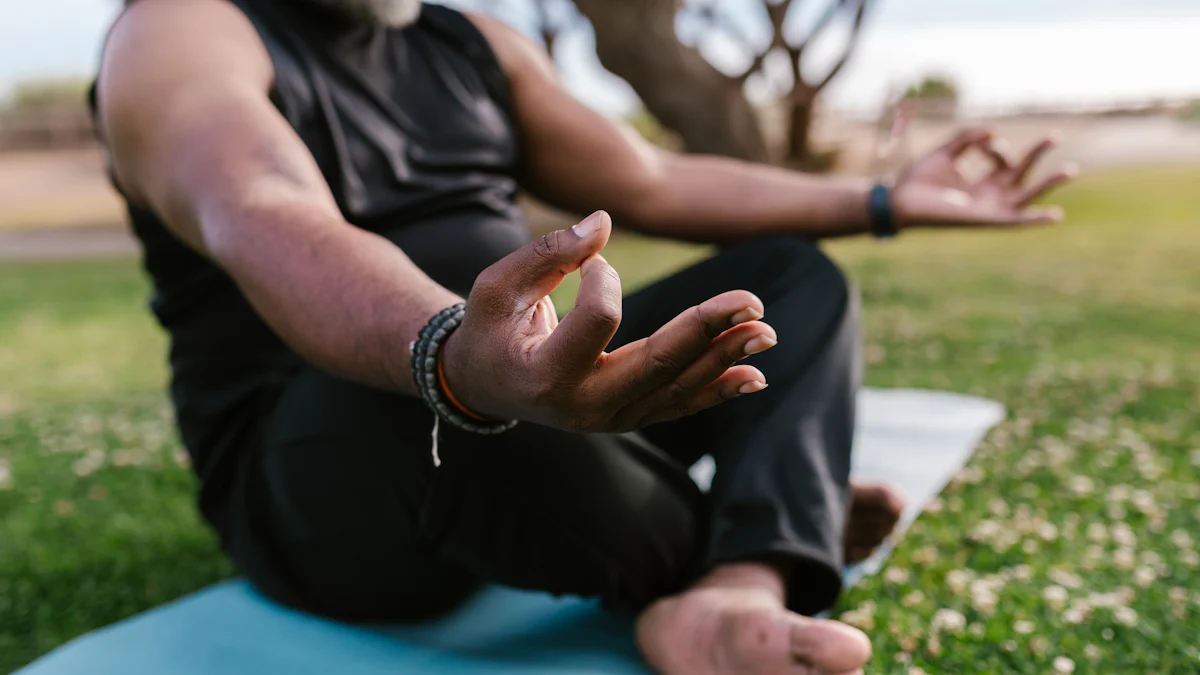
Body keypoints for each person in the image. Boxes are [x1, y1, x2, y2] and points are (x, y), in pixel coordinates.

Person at [92, 0, 1074, 673]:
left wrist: (882, 200)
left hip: (519, 387)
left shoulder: (470, 42)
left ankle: (738, 581)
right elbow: (262, 208)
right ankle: (765, 512)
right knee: (438, 399)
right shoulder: (181, 31)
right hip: (321, 458)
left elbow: (651, 182)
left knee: (785, 279)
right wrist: (448, 351)